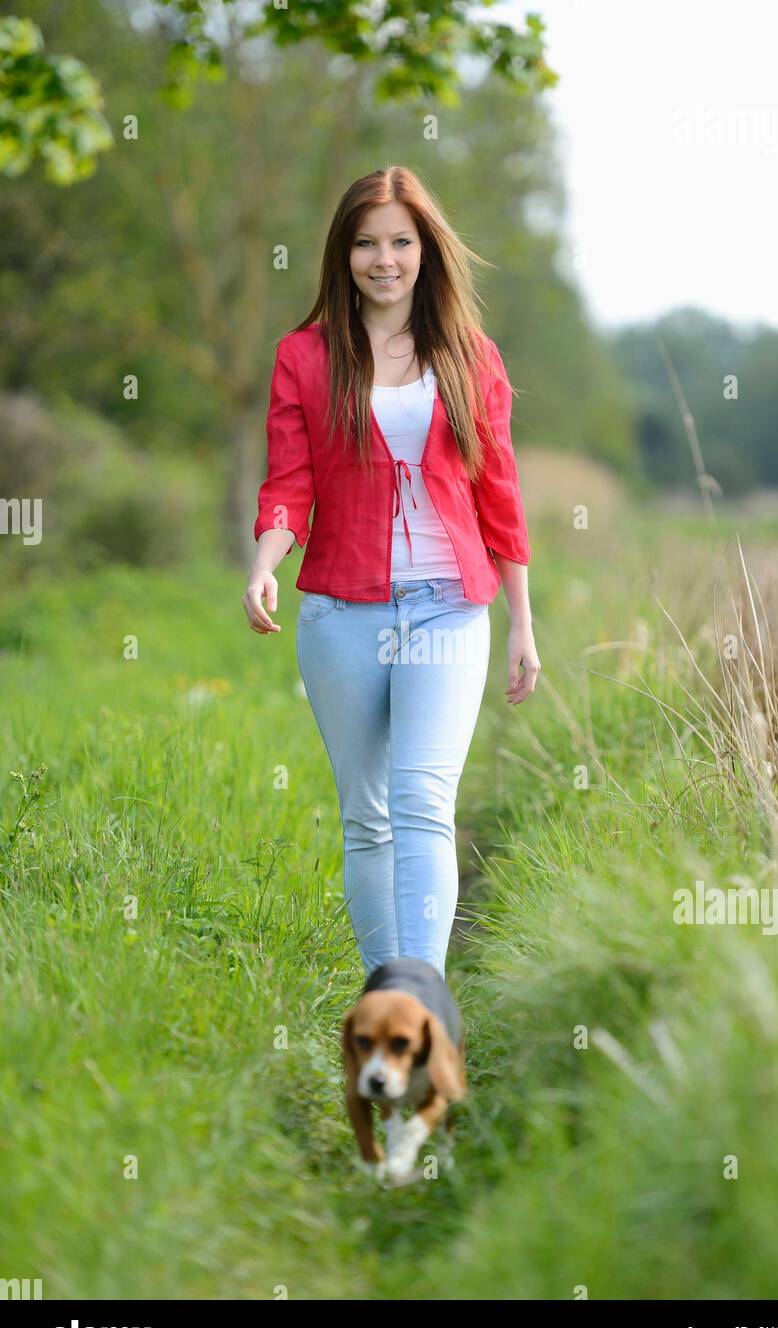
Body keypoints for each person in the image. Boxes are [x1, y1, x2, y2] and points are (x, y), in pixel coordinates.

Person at [243, 165, 540, 977]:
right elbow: (288, 481)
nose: (384, 259)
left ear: (425, 250)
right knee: (367, 817)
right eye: (366, 243)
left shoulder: (471, 357)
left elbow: (499, 490)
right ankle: (385, 994)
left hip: (448, 609)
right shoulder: (303, 357)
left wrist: (521, 620)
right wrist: (266, 562)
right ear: (342, 255)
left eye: (400, 242)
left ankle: (422, 998)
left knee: (421, 804)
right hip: (342, 613)